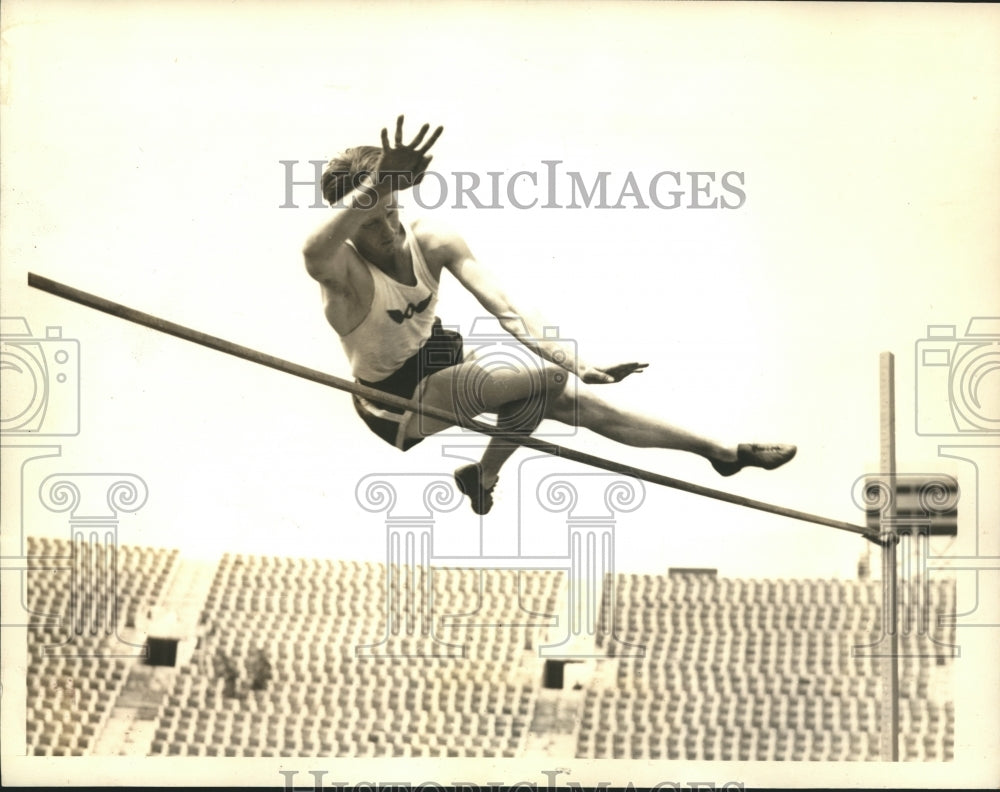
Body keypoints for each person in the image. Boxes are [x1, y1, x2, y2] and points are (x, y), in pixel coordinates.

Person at [302, 116, 796, 515]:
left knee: (571, 396)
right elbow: (313, 248)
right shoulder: (341, 270)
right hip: (392, 398)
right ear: (348, 219)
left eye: (391, 209)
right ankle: (486, 474)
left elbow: (509, 309)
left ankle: (721, 452)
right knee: (543, 379)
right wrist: (375, 184)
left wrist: (576, 362)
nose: (388, 228)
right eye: (370, 220)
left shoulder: (431, 239)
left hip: (440, 357)